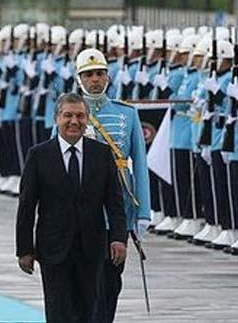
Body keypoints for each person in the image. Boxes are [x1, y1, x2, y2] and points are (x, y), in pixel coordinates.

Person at [16, 92, 127, 323]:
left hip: (92, 248)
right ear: (57, 118)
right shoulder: (38, 155)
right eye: (68, 116)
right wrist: (24, 249)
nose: (74, 122)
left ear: (87, 119)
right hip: (53, 248)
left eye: (80, 116)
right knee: (59, 312)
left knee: (90, 311)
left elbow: (115, 202)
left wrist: (118, 238)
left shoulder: (102, 154)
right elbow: (27, 206)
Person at [69, 47, 150, 322]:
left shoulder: (127, 114)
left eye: (100, 73)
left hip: (118, 207)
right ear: (79, 78)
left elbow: (139, 163)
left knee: (111, 281)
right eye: (89, 74)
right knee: (83, 280)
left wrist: (142, 212)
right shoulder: (69, 112)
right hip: (81, 209)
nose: (95, 80)